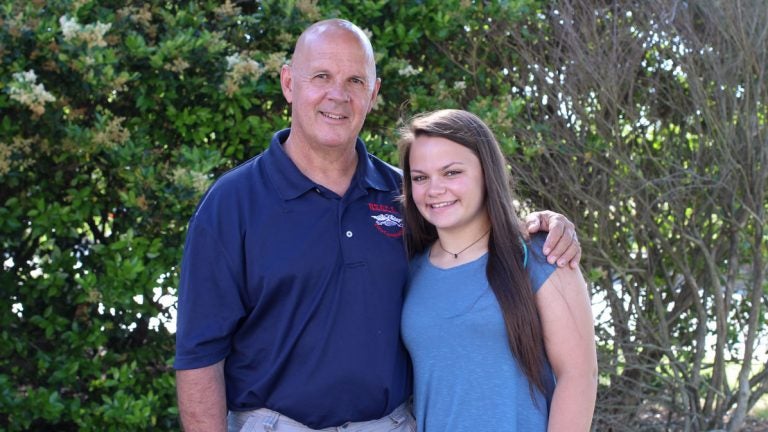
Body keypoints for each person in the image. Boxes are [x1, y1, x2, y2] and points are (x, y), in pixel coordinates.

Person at [174, 20, 582, 432]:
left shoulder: (406, 197)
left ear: (373, 94)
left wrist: (544, 224)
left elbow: (472, 238)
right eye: (321, 76)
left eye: (355, 80)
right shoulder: (231, 204)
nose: (338, 94)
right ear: (288, 83)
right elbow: (199, 357)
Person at [398, 109, 598, 431]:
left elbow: (578, 376)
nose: (434, 189)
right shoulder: (409, 269)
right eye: (420, 177)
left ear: (486, 172)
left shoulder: (541, 254)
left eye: (451, 173)